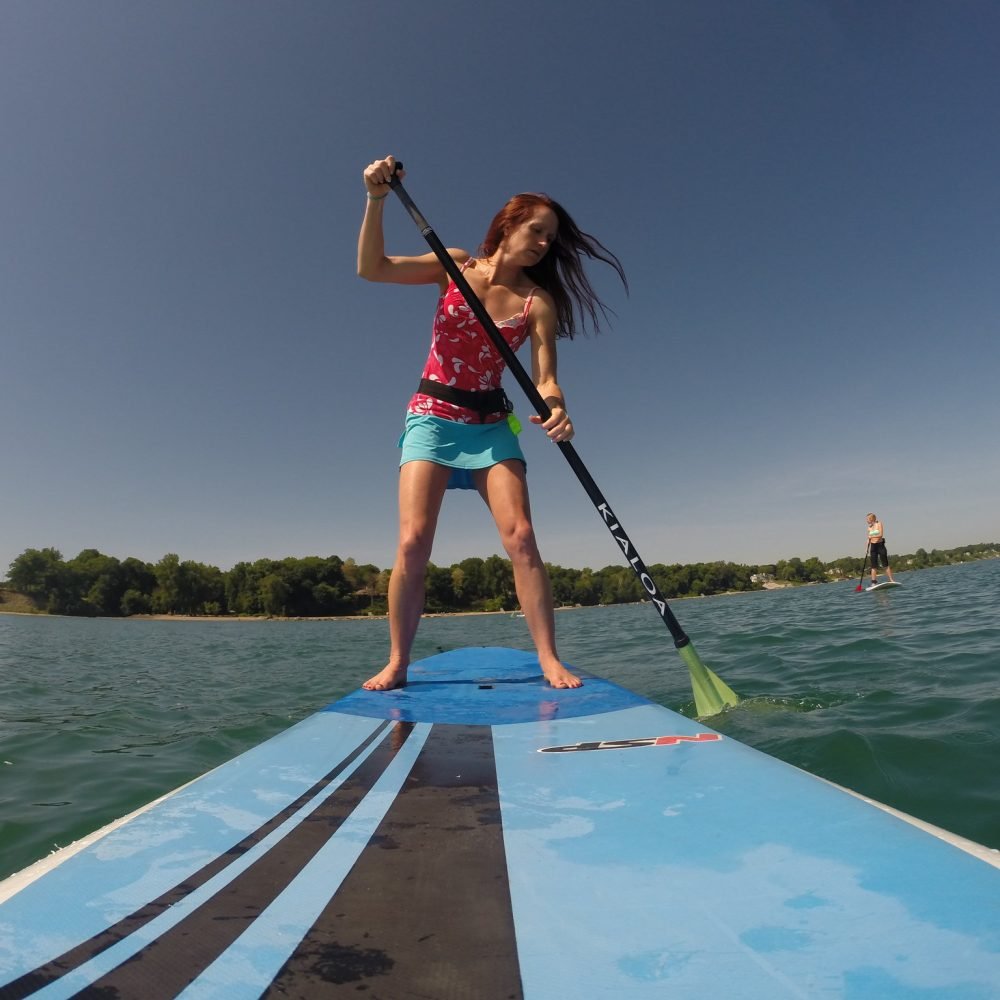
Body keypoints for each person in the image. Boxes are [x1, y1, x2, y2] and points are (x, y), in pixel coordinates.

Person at [357, 155, 627, 691]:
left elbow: (546, 377)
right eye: (537, 231)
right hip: (431, 418)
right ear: (508, 224)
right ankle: (398, 662)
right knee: (413, 541)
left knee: (522, 536)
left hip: (490, 424)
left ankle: (549, 658)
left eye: (551, 238)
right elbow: (374, 268)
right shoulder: (453, 264)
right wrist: (376, 198)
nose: (544, 243)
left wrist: (556, 407)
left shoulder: (537, 302)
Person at [865, 513, 896, 585]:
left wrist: (871, 537)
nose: (866, 521)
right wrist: (866, 548)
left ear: (872, 519)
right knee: (873, 565)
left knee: (885, 564)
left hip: (880, 545)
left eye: (867, 519)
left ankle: (891, 580)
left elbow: (880, 535)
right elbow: (868, 539)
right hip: (873, 546)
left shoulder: (879, 524)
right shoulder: (869, 528)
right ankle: (873, 582)